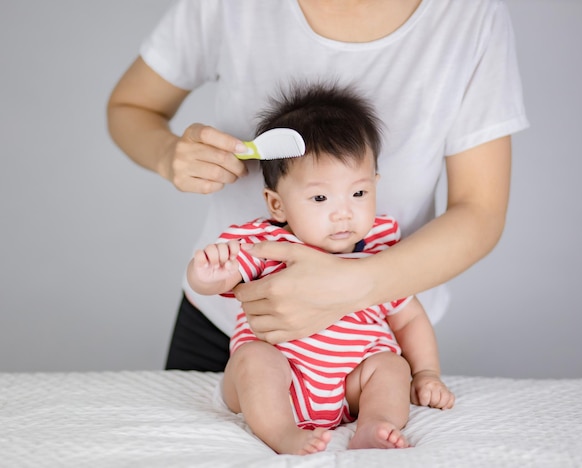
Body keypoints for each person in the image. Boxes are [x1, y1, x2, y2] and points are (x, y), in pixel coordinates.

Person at [107, 0, 529, 372]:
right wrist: (168, 154)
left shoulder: (471, 17)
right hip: (231, 319)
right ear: (274, 203)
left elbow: (480, 210)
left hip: (372, 335)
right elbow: (130, 106)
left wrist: (357, 285)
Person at [187, 82, 454, 454]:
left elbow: (409, 319)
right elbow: (221, 278)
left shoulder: (380, 254)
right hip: (280, 377)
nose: (344, 211)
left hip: (351, 386)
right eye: (319, 197)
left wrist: (426, 373)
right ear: (277, 205)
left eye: (359, 193)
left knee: (391, 366)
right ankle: (281, 432)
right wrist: (206, 274)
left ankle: (375, 424)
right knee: (254, 359)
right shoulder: (268, 246)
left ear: (376, 185)